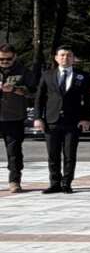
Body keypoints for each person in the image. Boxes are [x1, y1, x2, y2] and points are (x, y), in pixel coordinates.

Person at [33, 46, 90, 194]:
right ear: (56, 58)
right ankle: (54, 183)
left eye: (69, 55)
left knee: (69, 155)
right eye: (62, 55)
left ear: (73, 58)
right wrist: (38, 117)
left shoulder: (83, 76)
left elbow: (87, 100)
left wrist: (86, 118)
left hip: (73, 121)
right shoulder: (47, 75)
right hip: (51, 121)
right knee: (53, 155)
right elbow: (39, 98)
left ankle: (66, 183)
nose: (65, 58)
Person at [0, 44, 35, 192]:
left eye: (8, 59)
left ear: (14, 57)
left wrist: (14, 89)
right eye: (1, 59)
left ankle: (14, 180)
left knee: (14, 151)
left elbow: (33, 91)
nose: (4, 62)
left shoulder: (23, 71)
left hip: (13, 117)